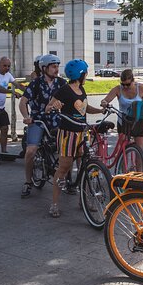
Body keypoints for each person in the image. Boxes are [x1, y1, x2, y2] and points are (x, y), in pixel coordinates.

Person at [44, 60, 105, 218]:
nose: (86, 75)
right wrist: (54, 106)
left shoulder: (81, 89)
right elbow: (48, 108)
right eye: (85, 72)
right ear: (80, 74)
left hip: (82, 133)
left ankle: (83, 200)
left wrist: (100, 110)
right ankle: (55, 204)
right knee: (64, 168)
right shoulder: (65, 90)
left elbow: (84, 108)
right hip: (67, 135)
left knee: (84, 166)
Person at [18, 54, 66, 198]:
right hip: (38, 120)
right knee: (31, 151)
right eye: (53, 67)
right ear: (44, 68)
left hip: (56, 119)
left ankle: (67, 179)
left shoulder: (62, 83)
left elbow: (70, 101)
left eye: (57, 66)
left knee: (67, 147)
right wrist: (27, 117)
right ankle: (28, 181)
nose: (56, 69)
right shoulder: (36, 83)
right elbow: (22, 102)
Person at [100, 69, 143, 150]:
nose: (125, 87)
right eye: (123, 84)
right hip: (123, 121)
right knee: (122, 149)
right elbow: (105, 100)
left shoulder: (141, 89)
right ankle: (121, 161)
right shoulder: (118, 89)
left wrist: (142, 106)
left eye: (128, 84)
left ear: (133, 81)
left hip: (138, 121)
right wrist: (104, 103)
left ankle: (139, 161)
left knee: (139, 149)